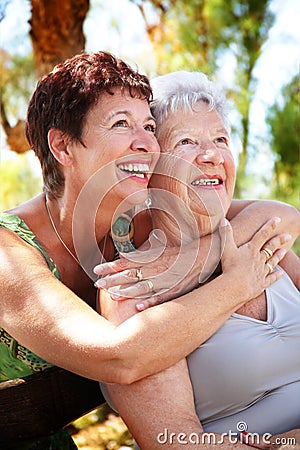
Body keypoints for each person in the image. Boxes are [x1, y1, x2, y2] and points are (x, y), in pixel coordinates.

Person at [0, 51, 291, 449]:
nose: (147, 144)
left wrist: (202, 260)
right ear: (63, 147)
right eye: (122, 124)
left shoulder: (139, 216)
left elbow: (277, 214)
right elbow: (119, 359)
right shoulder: (7, 252)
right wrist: (235, 285)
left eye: (150, 126)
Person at [97, 71, 300, 449]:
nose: (211, 155)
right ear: (150, 169)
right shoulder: (133, 284)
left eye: (221, 139)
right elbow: (173, 442)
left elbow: (284, 213)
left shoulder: (261, 239)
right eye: (186, 142)